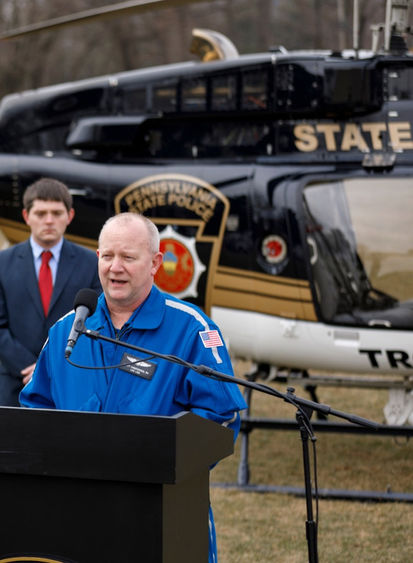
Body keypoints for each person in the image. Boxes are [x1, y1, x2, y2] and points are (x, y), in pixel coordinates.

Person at [20, 212, 247, 563]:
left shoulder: (190, 329)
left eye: (128, 257)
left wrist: (161, 462)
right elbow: (36, 408)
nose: (115, 268)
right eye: (108, 256)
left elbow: (221, 416)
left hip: (163, 506)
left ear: (156, 263)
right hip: (79, 505)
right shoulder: (67, 329)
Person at [0, 177, 101, 406]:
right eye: (40, 213)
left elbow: (95, 322)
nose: (49, 221)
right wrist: (32, 368)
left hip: (72, 381)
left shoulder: (91, 263)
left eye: (56, 213)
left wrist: (52, 365)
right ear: (26, 216)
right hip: (17, 383)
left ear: (70, 216)